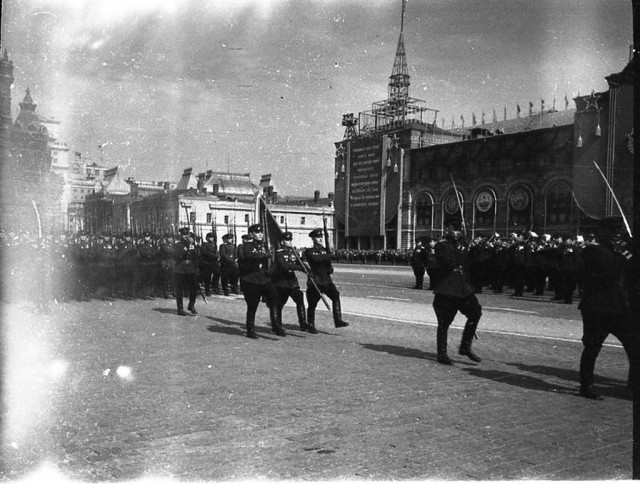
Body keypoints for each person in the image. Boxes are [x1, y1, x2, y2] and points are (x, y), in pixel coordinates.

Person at [577, 217, 639, 400]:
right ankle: (586, 385)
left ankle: (634, 384)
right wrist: (621, 251)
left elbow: (632, 265)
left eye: (617, 233)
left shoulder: (617, 251)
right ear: (602, 232)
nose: (615, 236)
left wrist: (629, 248)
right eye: (612, 233)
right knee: (592, 348)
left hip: (618, 308)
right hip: (597, 307)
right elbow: (610, 270)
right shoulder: (592, 251)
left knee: (634, 344)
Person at [431, 220, 482, 365]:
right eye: (454, 229)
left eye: (459, 229)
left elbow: (475, 263)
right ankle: (442, 353)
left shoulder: (463, 245)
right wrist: (462, 249)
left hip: (463, 288)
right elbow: (449, 262)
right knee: (444, 322)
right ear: (447, 229)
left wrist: (475, 249)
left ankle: (465, 346)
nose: (457, 232)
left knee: (475, 312)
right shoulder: (441, 245)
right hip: (447, 289)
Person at [240, 224, 283, 338]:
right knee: (252, 306)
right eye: (257, 232)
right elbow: (250, 256)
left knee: (274, 297)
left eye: (261, 232)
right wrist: (265, 255)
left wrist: (271, 270)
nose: (260, 234)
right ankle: (250, 329)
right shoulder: (246, 245)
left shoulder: (265, 246)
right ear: (251, 234)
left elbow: (274, 260)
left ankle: (275, 324)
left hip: (264, 278)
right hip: (252, 279)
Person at [304, 228, 349, 334]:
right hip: (316, 281)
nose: (320, 239)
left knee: (335, 296)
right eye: (317, 237)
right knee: (312, 304)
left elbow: (328, 264)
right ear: (313, 239)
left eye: (321, 237)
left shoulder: (325, 250)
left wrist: (330, 267)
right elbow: (317, 259)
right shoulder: (310, 251)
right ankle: (311, 325)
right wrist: (330, 255)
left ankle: (338, 320)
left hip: (326, 280)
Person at [272, 231, 308, 332]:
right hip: (281, 282)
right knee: (279, 304)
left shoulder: (294, 253)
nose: (290, 242)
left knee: (299, 299)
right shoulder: (279, 253)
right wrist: (299, 268)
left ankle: (303, 323)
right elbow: (285, 266)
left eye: (290, 240)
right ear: (282, 242)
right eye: (287, 240)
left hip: (292, 282)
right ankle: (277, 326)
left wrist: (308, 271)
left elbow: (301, 263)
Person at [173, 227, 199, 315]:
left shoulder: (192, 244)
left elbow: (196, 256)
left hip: (191, 269)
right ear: (181, 235)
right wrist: (186, 247)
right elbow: (177, 256)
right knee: (179, 289)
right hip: (181, 269)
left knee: (194, 288)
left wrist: (196, 267)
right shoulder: (178, 245)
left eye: (187, 234)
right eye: (184, 235)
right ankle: (180, 308)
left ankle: (191, 305)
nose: (185, 236)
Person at [200, 232, 219, 296]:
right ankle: (207, 290)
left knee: (217, 274)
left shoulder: (214, 244)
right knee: (207, 278)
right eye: (210, 237)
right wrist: (215, 256)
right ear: (207, 238)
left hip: (213, 262)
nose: (211, 239)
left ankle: (215, 287)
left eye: (212, 237)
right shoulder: (204, 244)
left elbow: (216, 252)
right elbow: (205, 252)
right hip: (207, 263)